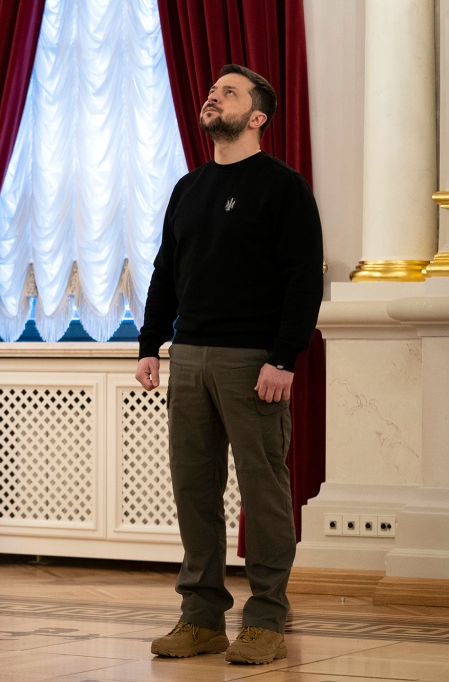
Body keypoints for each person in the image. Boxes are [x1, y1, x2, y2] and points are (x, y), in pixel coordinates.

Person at [135, 65, 323, 665]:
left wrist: (283, 360)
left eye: (230, 92)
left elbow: (302, 279)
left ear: (258, 115)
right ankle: (201, 617)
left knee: (264, 491)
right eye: (213, 90)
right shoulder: (188, 189)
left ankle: (266, 618)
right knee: (194, 488)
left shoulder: (283, 187)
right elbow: (167, 272)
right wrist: (149, 345)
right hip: (188, 357)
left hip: (253, 364)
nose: (214, 96)